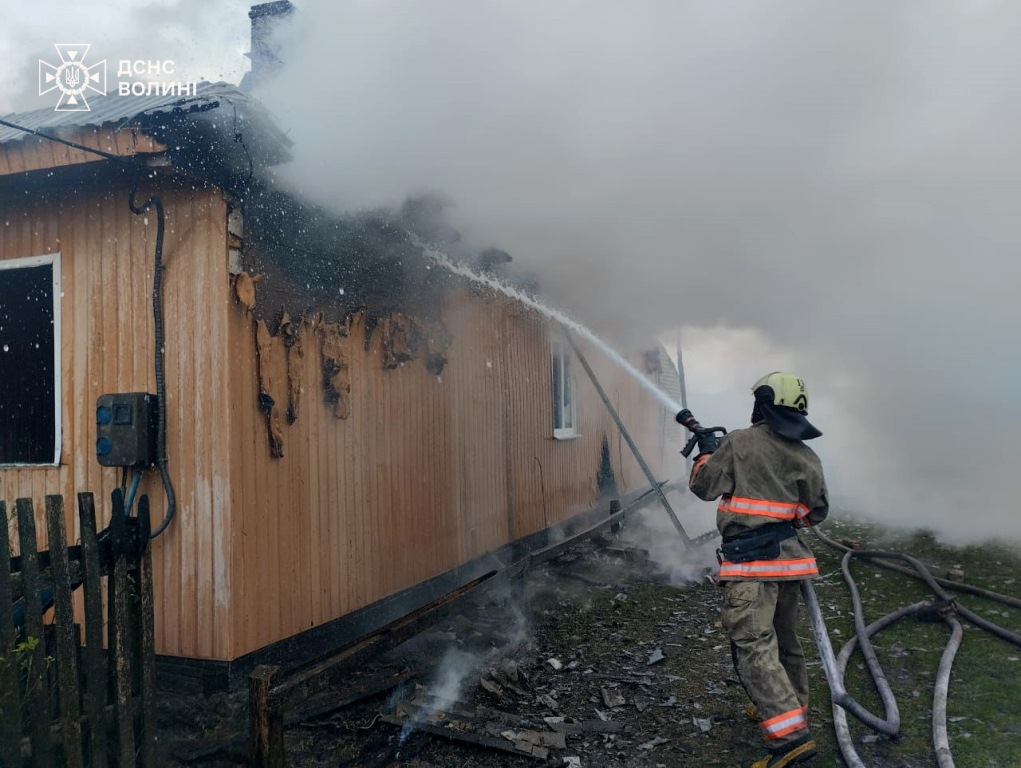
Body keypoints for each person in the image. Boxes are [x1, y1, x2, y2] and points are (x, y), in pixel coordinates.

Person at [679, 372, 829, 768]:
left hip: (750, 565)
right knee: (784, 641)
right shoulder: (805, 455)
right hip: (791, 563)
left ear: (762, 403)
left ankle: (790, 740)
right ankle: (792, 709)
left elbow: (704, 487)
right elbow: (815, 512)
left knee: (754, 645)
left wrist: (705, 455)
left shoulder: (739, 442)